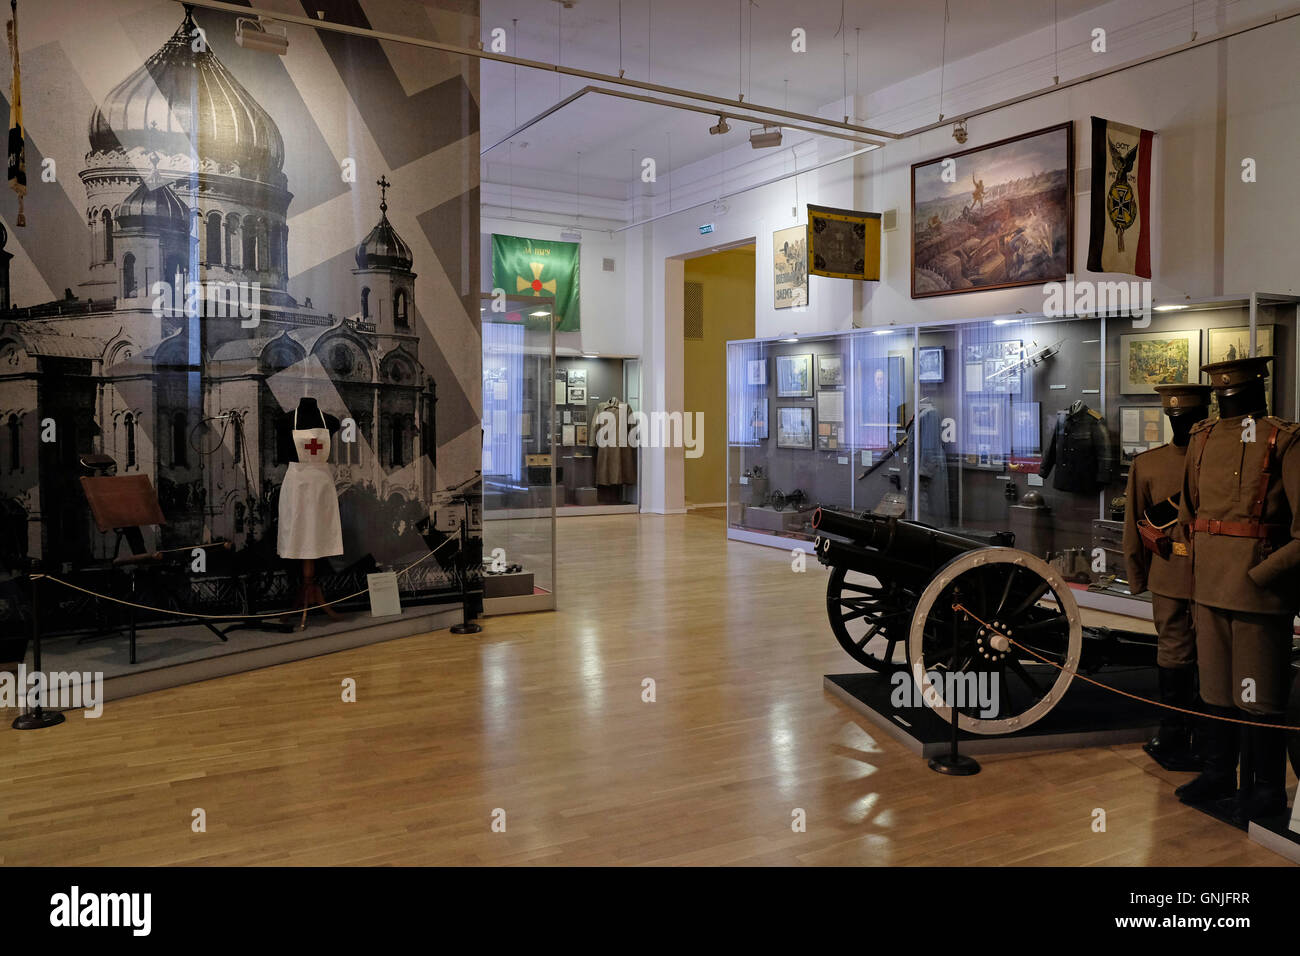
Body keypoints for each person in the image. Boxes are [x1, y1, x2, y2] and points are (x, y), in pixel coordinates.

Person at [1177, 356, 1298, 825]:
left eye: (1234, 390)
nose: (1227, 395)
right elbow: (1191, 514)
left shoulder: (1284, 439)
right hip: (1209, 587)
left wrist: (1260, 576)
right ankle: (1218, 773)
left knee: (1259, 696)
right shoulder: (1202, 437)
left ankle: (1265, 788)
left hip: (1256, 594)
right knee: (1215, 692)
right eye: (1222, 390)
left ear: (1257, 388)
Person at [1122, 383, 1211, 771]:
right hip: (1170, 572)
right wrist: (1137, 575)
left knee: (1213, 655)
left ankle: (1211, 736)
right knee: (1173, 652)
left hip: (1214, 576)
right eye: (1175, 419)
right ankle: (1173, 730)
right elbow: (1134, 525)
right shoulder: (1149, 464)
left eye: (1188, 419)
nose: (1181, 425)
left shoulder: (1220, 462)